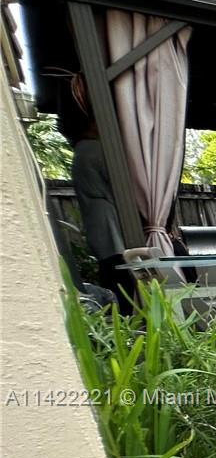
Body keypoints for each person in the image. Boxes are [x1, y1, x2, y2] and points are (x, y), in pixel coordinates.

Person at [56, 85, 137, 312]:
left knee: (112, 273)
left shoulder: (81, 151)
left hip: (98, 225)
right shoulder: (95, 149)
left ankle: (122, 318)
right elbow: (122, 183)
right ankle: (128, 317)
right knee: (122, 278)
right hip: (110, 225)